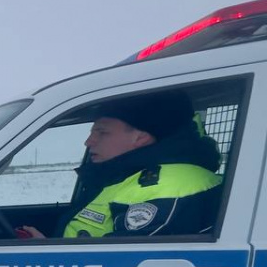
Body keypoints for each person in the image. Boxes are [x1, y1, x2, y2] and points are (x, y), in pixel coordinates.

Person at [18, 90, 222, 239]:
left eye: (102, 132)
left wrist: (48, 256)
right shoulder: (125, 177)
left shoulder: (168, 187)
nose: (88, 142)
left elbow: (118, 264)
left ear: (140, 137)